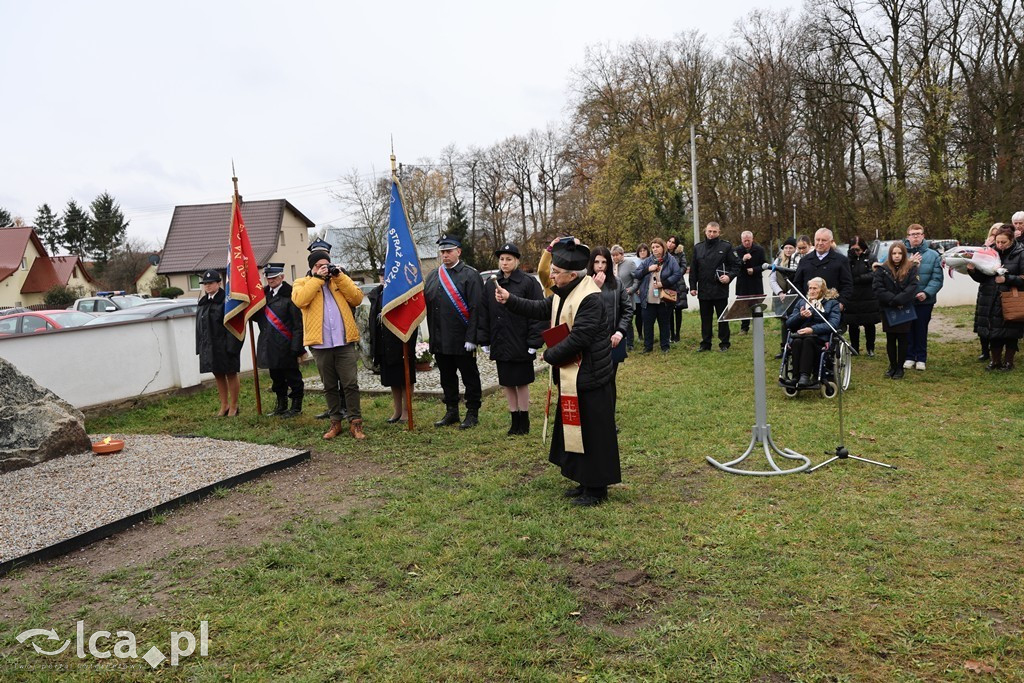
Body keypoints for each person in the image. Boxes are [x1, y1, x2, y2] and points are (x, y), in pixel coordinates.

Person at [494, 240, 620, 507]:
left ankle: (597, 489)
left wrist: (549, 355)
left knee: (593, 434)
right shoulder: (564, 291)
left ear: (572, 275)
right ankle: (583, 480)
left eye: (556, 271)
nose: (551, 275)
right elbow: (540, 308)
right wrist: (509, 300)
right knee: (576, 430)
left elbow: (580, 337)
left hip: (590, 377)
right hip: (573, 376)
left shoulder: (590, 298)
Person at [292, 246, 366, 440]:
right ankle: (335, 422)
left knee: (350, 384)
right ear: (312, 267)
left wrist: (340, 277)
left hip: (344, 342)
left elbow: (357, 298)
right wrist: (317, 279)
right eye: (319, 266)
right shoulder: (301, 283)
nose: (324, 269)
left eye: (326, 265)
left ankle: (356, 423)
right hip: (320, 344)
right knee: (330, 385)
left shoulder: (338, 281)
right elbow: (300, 301)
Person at [477, 242, 545, 435]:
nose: (504, 263)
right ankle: (514, 418)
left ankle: (524, 419)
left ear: (517, 261)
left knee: (521, 381)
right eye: (501, 259)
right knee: (507, 381)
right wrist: (484, 339)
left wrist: (534, 341)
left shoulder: (528, 283)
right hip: (501, 340)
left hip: (521, 340)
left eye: (508, 259)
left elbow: (537, 312)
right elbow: (484, 312)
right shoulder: (491, 284)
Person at [423, 234, 483, 429]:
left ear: (459, 251)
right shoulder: (433, 275)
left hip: (462, 338)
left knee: (469, 376)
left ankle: (472, 412)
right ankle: (452, 411)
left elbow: (476, 308)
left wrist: (472, 337)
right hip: (440, 338)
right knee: (446, 377)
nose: (445, 255)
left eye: (449, 251)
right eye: (442, 252)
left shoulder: (470, 275)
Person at [969, 224, 1024, 371]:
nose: (999, 245)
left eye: (1003, 242)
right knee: (993, 331)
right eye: (997, 242)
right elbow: (983, 277)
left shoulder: (1021, 254)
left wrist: (1007, 279)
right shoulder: (991, 252)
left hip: (1010, 298)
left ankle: (1009, 362)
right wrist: (972, 271)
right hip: (989, 296)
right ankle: (995, 361)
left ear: (1012, 240)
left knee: (1011, 331)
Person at [588, 246, 633, 424]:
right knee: (594, 381)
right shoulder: (584, 283)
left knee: (609, 380)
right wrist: (594, 287)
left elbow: (627, 309)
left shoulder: (617, 283)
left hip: (613, 340)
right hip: (591, 342)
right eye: (597, 262)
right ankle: (594, 418)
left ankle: (608, 420)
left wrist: (620, 332)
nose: (600, 266)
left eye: (604, 262)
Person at [367, 269, 418, 424]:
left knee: (405, 379)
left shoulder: (403, 292)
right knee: (392, 379)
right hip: (384, 343)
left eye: (387, 274)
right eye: (381, 275)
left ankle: (405, 410)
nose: (383, 278)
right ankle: (396, 410)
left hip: (401, 342)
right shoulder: (377, 294)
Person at [254, 263, 305, 417]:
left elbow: (297, 325)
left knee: (293, 377)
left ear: (282, 277)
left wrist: (297, 347)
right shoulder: (262, 296)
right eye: (268, 277)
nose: (271, 280)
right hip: (269, 344)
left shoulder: (291, 295)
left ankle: (296, 407)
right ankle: (281, 405)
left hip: (286, 344)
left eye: (274, 277)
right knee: (276, 377)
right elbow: (258, 318)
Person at [195, 269, 243, 416]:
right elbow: (199, 327)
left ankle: (234, 406)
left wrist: (232, 347)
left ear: (219, 283)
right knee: (218, 374)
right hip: (210, 346)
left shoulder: (227, 301)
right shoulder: (203, 302)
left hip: (225, 345)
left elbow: (234, 325)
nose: (207, 286)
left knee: (230, 373)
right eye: (205, 284)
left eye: (210, 283)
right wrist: (200, 347)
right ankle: (224, 405)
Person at [688, 222, 739, 352]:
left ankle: (724, 343)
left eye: (714, 232)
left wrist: (729, 277)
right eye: (709, 231)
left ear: (719, 232)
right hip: (704, 289)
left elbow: (736, 265)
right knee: (705, 319)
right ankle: (705, 343)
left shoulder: (726, 247)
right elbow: (694, 269)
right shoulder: (698, 248)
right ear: (705, 231)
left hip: (720, 289)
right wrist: (693, 286)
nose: (712, 234)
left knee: (722, 318)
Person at [872, 242, 920, 380]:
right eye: (894, 253)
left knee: (903, 338)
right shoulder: (883, 269)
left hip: (904, 308)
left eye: (899, 253)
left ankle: (900, 368)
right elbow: (878, 288)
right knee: (891, 338)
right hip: (888, 308)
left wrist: (899, 300)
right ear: (890, 254)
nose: (897, 256)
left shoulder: (911, 268)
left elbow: (912, 287)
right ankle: (892, 366)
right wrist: (892, 301)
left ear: (904, 254)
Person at [785, 277, 842, 388]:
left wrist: (812, 329)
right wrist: (800, 316)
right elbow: (789, 323)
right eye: (810, 288)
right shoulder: (802, 302)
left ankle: (805, 376)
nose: (811, 291)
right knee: (796, 342)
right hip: (800, 336)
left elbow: (833, 324)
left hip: (820, 338)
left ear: (822, 290)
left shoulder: (832, 303)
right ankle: (796, 377)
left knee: (808, 340)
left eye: (815, 288)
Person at [903, 224, 944, 371]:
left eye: (918, 234)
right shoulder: (900, 252)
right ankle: (908, 356)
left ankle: (921, 358)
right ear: (908, 236)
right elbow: (893, 272)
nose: (916, 236)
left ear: (923, 236)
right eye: (913, 234)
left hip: (924, 300)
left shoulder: (933, 255)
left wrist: (926, 293)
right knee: (907, 328)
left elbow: (937, 278)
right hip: (906, 299)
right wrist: (908, 263)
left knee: (921, 329)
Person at [633, 237, 682, 353]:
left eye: (657, 247)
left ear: (663, 247)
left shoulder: (671, 260)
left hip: (663, 299)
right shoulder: (648, 261)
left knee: (664, 323)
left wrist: (663, 283)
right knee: (648, 324)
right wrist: (647, 269)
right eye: (653, 247)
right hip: (648, 298)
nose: (655, 249)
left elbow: (677, 274)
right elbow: (636, 274)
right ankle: (648, 347)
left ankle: (665, 346)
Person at [791, 228, 854, 307]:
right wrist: (801, 303)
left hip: (832, 308)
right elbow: (797, 285)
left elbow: (847, 285)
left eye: (824, 240)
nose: (820, 243)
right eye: (817, 240)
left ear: (831, 242)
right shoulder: (804, 261)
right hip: (808, 308)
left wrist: (841, 303)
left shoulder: (841, 260)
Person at [844, 236, 880, 357]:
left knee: (869, 324)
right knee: (853, 324)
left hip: (868, 295)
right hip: (853, 296)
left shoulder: (871, 257)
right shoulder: (848, 259)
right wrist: (851, 257)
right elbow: (845, 273)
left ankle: (870, 347)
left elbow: (874, 274)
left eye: (858, 249)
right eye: (853, 249)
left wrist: (859, 279)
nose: (856, 252)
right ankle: (855, 347)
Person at [975, 224, 1003, 361]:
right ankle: (984, 350)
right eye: (992, 234)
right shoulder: (984, 250)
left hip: (1000, 289)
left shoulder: (1004, 252)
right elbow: (979, 275)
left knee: (997, 323)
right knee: (982, 322)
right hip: (985, 290)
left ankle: (996, 352)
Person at [733, 230, 767, 334]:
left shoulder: (759, 250)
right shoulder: (737, 251)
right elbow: (735, 266)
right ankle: (744, 328)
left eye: (748, 240)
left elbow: (764, 265)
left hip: (756, 281)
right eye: (744, 241)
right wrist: (743, 260)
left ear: (752, 239)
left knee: (756, 306)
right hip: (743, 282)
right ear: (741, 240)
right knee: (743, 306)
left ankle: (758, 327)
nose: (746, 243)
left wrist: (755, 270)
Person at [611, 245, 638, 350]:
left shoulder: (630, 264)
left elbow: (637, 279)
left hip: (627, 297)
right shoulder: (612, 266)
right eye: (613, 255)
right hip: (614, 298)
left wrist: (632, 289)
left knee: (628, 321)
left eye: (617, 255)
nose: (615, 257)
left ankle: (630, 344)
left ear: (622, 254)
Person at [664, 235, 689, 343]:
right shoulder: (663, 254)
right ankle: (671, 333)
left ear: (676, 245)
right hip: (668, 284)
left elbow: (684, 266)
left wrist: (676, 275)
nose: (670, 243)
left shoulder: (680, 254)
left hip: (678, 283)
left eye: (673, 242)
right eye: (669, 241)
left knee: (678, 309)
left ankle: (677, 334)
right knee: (669, 310)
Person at [632, 242, 651, 346]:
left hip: (648, 291)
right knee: (638, 314)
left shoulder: (651, 261)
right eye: (641, 251)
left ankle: (648, 333)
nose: (643, 252)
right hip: (637, 292)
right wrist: (637, 288)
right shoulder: (634, 262)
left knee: (647, 314)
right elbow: (634, 276)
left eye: (644, 250)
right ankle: (640, 334)